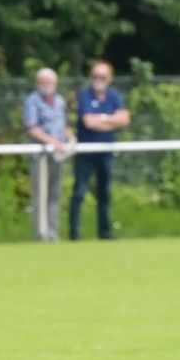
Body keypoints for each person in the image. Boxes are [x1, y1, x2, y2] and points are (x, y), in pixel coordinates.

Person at [69, 61, 129, 241]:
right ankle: (74, 234)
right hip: (86, 153)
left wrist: (102, 120)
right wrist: (111, 120)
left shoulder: (114, 96)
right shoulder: (85, 96)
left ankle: (105, 233)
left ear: (109, 78)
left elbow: (125, 119)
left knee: (105, 194)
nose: (98, 80)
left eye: (102, 76)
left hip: (106, 152)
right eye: (95, 76)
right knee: (79, 192)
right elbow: (89, 122)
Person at [23, 68, 68, 242]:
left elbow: (63, 125)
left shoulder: (60, 101)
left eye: (50, 82)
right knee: (41, 194)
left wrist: (69, 138)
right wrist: (51, 141)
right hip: (40, 155)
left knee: (55, 194)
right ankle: (40, 233)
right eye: (43, 82)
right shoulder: (32, 101)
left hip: (58, 155)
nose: (47, 85)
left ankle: (53, 231)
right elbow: (32, 127)